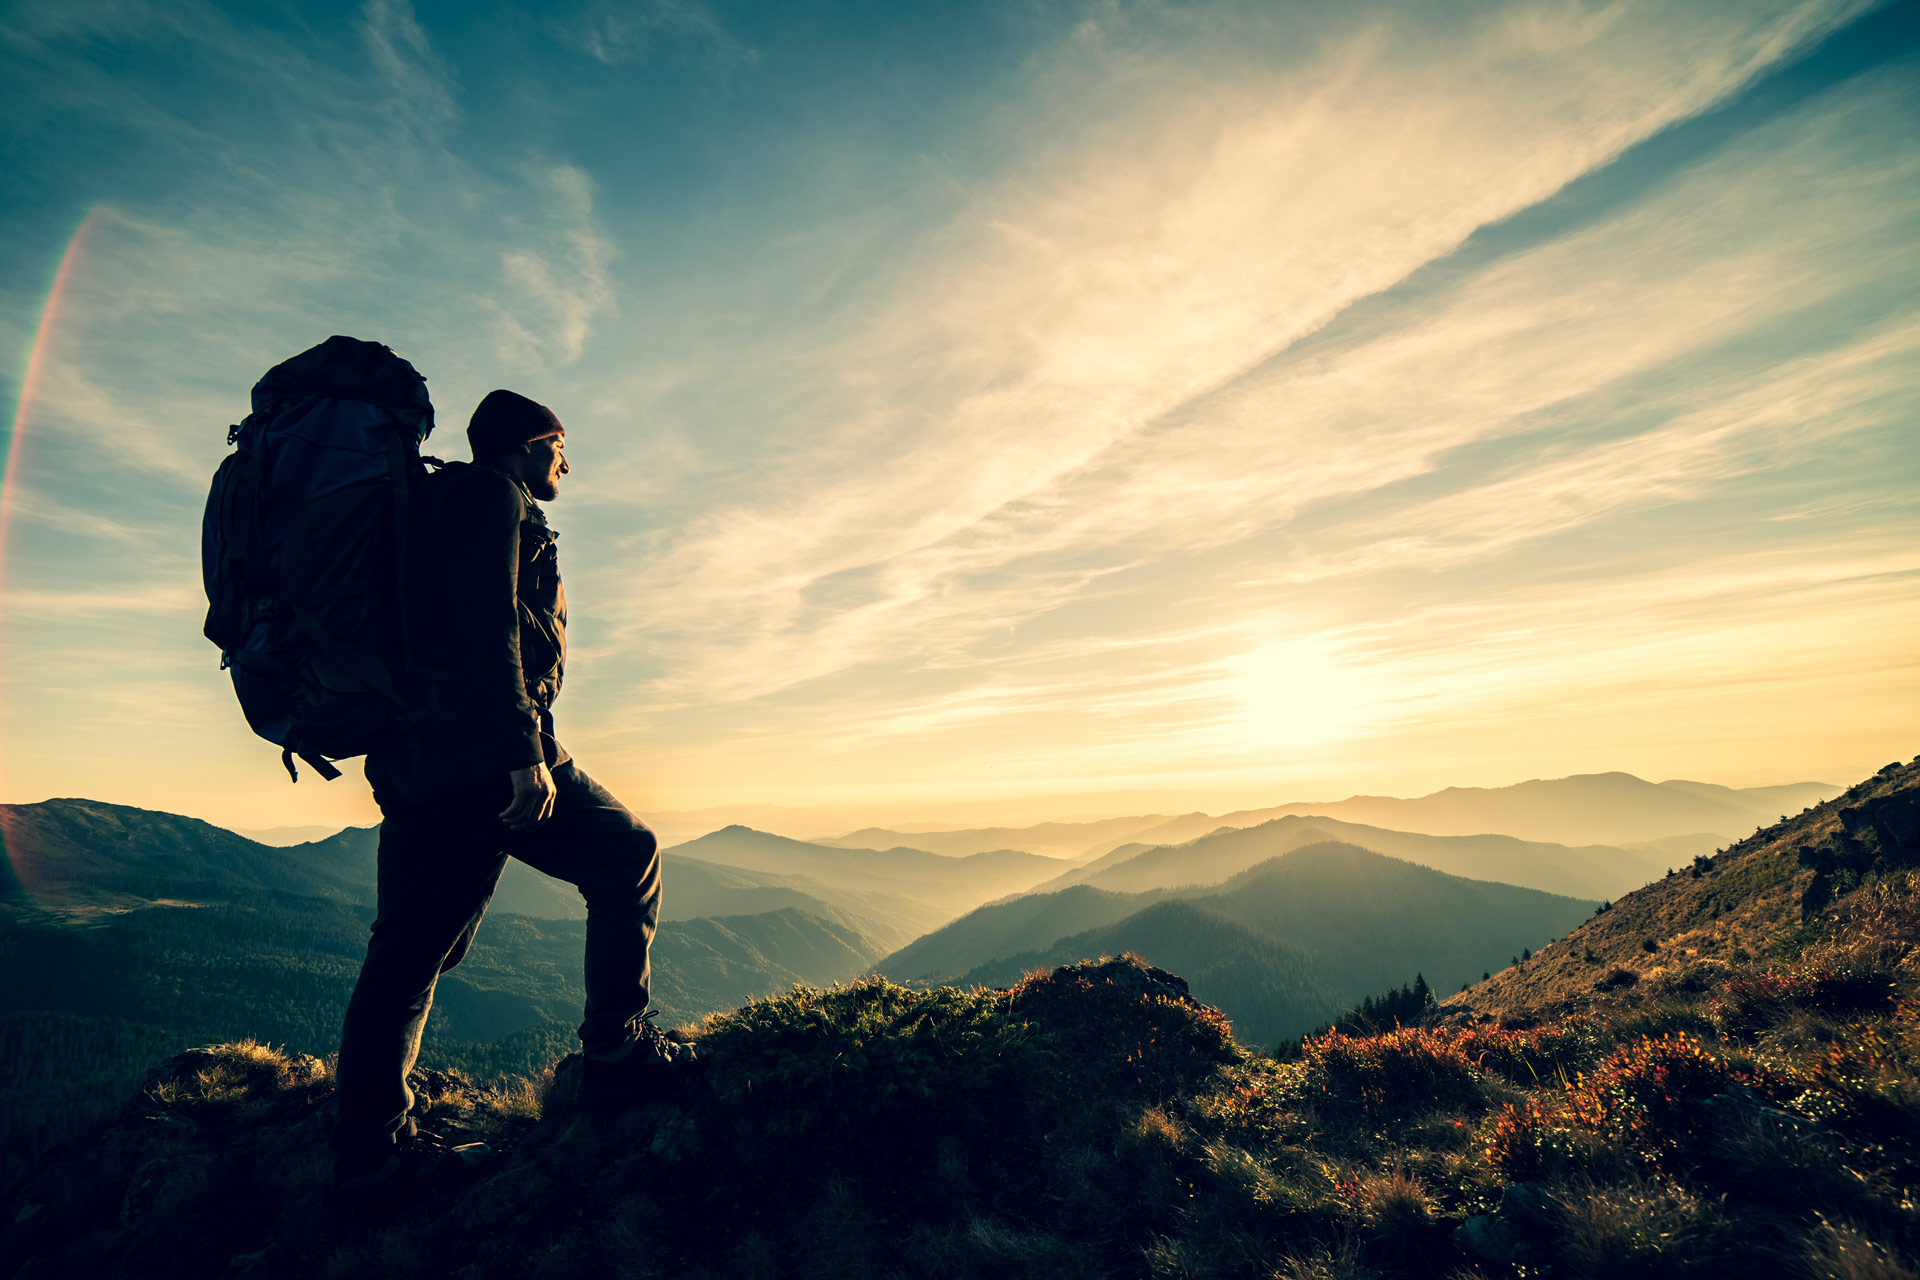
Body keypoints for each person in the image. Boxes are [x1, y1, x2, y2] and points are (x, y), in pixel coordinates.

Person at [329, 388, 693, 1198]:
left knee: (411, 950)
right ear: (531, 443)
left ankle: (367, 1155)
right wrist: (523, 752)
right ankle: (617, 1056)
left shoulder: (428, 508)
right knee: (628, 853)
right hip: (482, 756)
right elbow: (485, 624)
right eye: (562, 444)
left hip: (418, 758)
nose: (569, 461)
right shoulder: (492, 496)